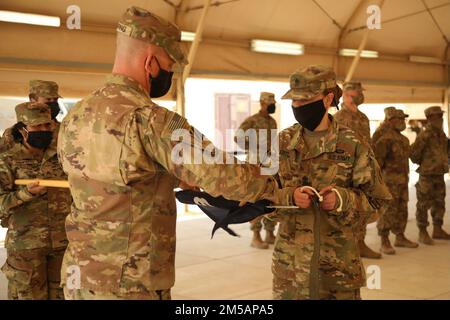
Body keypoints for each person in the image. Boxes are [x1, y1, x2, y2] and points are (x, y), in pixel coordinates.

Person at [57, 6, 304, 300]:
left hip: (79, 277)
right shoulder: (151, 120)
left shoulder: (76, 115)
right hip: (131, 284)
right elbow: (223, 175)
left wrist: (170, 177)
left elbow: (111, 179)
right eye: (170, 66)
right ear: (150, 62)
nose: (171, 75)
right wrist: (280, 189)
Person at [273, 65, 391, 300]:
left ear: (327, 99)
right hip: (291, 271)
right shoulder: (283, 142)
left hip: (338, 272)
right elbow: (262, 198)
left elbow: (378, 202)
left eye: (305, 100)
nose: (297, 106)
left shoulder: (353, 144)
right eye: (294, 100)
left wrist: (342, 200)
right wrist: (288, 197)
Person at [0, 102, 71, 299]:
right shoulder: (7, 160)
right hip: (26, 248)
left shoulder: (62, 157)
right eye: (37, 126)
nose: (43, 130)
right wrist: (25, 194)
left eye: (47, 125)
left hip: (62, 245)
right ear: (22, 129)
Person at [334, 82, 382, 259]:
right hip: (344, 170)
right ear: (346, 93)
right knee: (345, 209)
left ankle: (360, 243)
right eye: (358, 92)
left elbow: (367, 144)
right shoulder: (338, 118)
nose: (360, 94)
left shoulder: (363, 118)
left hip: (363, 170)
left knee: (362, 206)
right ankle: (344, 246)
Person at [235, 92, 278, 249]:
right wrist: (252, 147)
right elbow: (237, 137)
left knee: (270, 196)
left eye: (274, 102)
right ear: (262, 103)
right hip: (255, 163)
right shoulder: (252, 120)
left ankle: (270, 232)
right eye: (270, 102)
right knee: (256, 198)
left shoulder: (272, 122)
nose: (273, 105)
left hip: (270, 163)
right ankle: (256, 235)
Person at [373, 109, 418, 254]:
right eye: (400, 119)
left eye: (404, 119)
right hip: (388, 182)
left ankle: (400, 236)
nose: (403, 122)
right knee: (387, 210)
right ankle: (384, 240)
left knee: (402, 208)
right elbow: (377, 162)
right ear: (391, 120)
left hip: (403, 180)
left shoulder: (403, 139)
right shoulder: (384, 138)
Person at [410, 106, 450, 244]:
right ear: (429, 118)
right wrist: (427, 163)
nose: (440, 118)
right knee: (423, 203)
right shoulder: (424, 135)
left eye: (440, 115)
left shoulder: (441, 134)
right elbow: (414, 155)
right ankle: (423, 232)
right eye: (437, 116)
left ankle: (437, 229)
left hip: (439, 173)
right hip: (427, 175)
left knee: (439, 202)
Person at [0, 80, 61, 153]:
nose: (52, 102)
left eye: (55, 99)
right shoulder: (13, 132)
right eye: (48, 99)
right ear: (32, 99)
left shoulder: (64, 129)